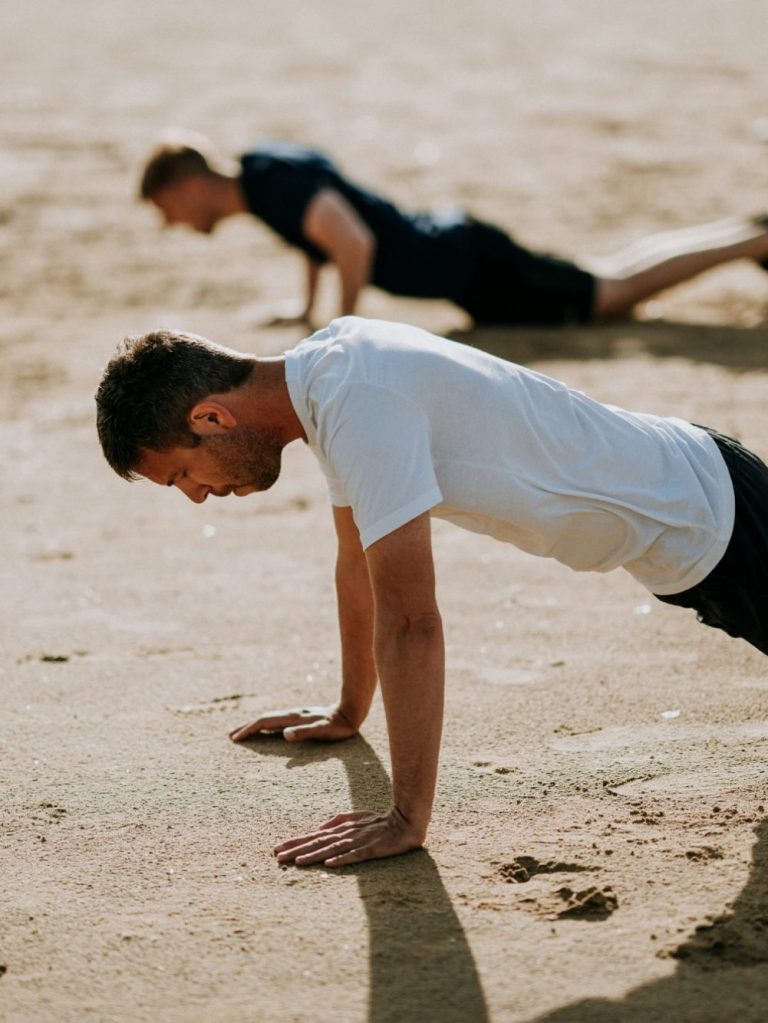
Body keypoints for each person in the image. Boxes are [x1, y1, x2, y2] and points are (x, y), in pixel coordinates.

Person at [95, 316, 768, 867]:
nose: (197, 495)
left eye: (182, 473)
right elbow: (355, 563)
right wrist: (348, 707)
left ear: (212, 417)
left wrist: (406, 816)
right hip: (688, 541)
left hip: (716, 519)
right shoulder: (327, 380)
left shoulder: (358, 400)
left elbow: (412, 620)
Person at [139, 131, 768, 327]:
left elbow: (352, 242)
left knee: (609, 296)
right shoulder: (263, 174)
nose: (175, 223)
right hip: (463, 254)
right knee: (604, 275)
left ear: (189, 185)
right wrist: (306, 309)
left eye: (168, 210)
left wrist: (341, 326)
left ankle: (753, 240)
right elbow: (322, 240)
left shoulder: (271, 187)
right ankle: (743, 232)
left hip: (469, 266)